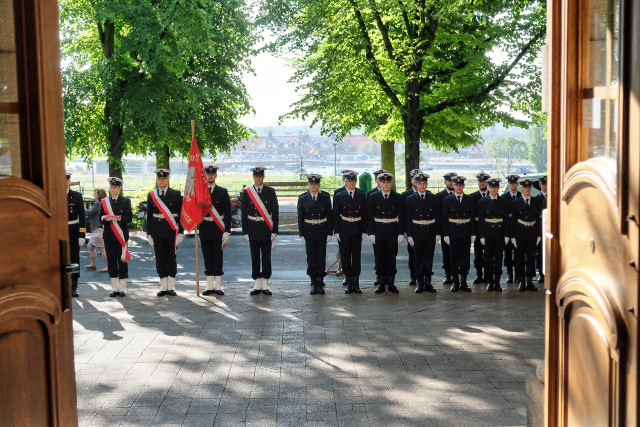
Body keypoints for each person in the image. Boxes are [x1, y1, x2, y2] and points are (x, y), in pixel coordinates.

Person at [241, 167, 279, 295]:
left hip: (266, 228)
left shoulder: (270, 191)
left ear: (263, 177)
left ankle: (265, 284)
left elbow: (276, 213)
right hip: (252, 228)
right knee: (255, 256)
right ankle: (257, 284)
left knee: (266, 257)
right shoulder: (247, 192)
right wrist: (245, 231)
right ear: (253, 177)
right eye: (256, 176)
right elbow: (243, 214)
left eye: (260, 176)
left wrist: (274, 231)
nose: (258, 178)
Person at [146, 169, 184, 296]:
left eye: (163, 178)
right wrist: (148, 234)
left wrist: (181, 233)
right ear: (157, 180)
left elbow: (181, 214)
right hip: (156, 231)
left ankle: (171, 286)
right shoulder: (152, 195)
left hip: (171, 231)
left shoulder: (176, 194)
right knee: (160, 258)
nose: (161, 181)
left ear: (168, 179)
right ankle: (163, 286)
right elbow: (149, 216)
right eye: (159, 179)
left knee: (171, 258)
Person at [367, 172, 404, 294]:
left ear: (391, 183)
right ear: (380, 183)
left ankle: (391, 283)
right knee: (379, 258)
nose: (386, 184)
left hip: (392, 231)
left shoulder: (397, 197)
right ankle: (381, 283)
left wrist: (400, 232)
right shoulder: (373, 197)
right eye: (384, 182)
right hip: (378, 231)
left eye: (388, 182)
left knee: (391, 257)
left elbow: (401, 216)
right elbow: (370, 216)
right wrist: (371, 233)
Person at [297, 174, 333, 294]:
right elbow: (300, 217)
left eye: (316, 184)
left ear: (319, 184)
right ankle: (313, 282)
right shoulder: (302, 198)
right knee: (311, 257)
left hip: (322, 230)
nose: (314, 186)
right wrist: (301, 234)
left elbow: (329, 215)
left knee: (321, 257)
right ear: (308, 184)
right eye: (312, 184)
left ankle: (320, 282)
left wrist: (329, 232)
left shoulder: (325, 197)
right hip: (309, 231)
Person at [405, 172, 440, 293]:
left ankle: (428, 282)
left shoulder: (433, 198)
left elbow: (437, 216)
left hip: (429, 231)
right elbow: (408, 218)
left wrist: (437, 233)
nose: (422, 186)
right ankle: (419, 283)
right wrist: (409, 234)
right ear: (416, 184)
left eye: (424, 183)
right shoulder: (410, 199)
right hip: (416, 232)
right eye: (420, 183)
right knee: (418, 258)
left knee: (428, 258)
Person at [333, 170, 367, 294]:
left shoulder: (361, 195)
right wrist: (336, 230)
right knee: (346, 256)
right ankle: (349, 281)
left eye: (353, 180)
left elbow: (364, 213)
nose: (352, 183)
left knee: (356, 257)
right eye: (349, 180)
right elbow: (336, 214)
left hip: (357, 228)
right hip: (344, 229)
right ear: (345, 181)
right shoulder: (339, 195)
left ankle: (356, 283)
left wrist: (364, 230)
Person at [200, 164, 231, 296]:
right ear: (205, 175)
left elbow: (228, 213)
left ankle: (218, 286)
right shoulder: (200, 192)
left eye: (212, 174)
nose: (210, 176)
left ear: (216, 176)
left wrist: (227, 231)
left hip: (218, 228)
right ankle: (209, 286)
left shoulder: (222, 191)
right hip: (205, 228)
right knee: (207, 257)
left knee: (218, 257)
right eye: (208, 174)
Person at [441, 175, 475, 292]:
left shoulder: (469, 199)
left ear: (464, 186)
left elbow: (472, 218)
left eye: (461, 185)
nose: (459, 187)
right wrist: (445, 234)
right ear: (453, 185)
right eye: (456, 185)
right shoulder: (447, 200)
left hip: (465, 231)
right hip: (453, 232)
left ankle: (464, 282)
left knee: (465, 258)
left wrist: (473, 233)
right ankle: (455, 282)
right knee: (454, 257)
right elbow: (444, 218)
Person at [99, 177, 132, 297]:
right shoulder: (104, 201)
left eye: (115, 187)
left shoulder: (125, 201)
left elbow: (129, 218)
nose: (113, 189)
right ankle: (114, 287)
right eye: (111, 187)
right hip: (109, 235)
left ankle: (122, 288)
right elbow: (100, 218)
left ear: (119, 188)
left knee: (122, 260)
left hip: (121, 235)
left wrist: (119, 218)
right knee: (111, 261)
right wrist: (105, 219)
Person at [477, 178, 510, 292]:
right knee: (488, 260)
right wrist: (481, 235)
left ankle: (497, 283)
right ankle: (490, 283)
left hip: (500, 234)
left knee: (499, 261)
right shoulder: (483, 201)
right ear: (489, 187)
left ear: (498, 188)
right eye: (492, 187)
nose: (494, 189)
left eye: (496, 187)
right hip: (488, 234)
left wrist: (507, 234)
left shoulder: (503, 201)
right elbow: (481, 220)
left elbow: (506, 219)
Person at [510, 178, 541, 291]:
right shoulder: (515, 202)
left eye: (529, 187)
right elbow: (512, 220)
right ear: (521, 188)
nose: (527, 189)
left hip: (532, 232)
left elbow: (538, 219)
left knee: (531, 258)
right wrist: (512, 236)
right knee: (520, 258)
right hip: (520, 233)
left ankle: (529, 281)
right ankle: (521, 281)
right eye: (525, 187)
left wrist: (539, 234)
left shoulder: (536, 201)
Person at [66, 172, 86, 297]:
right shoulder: (55, 195)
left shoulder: (76, 195)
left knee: (74, 257)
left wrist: (82, 234)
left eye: (66, 180)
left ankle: (74, 285)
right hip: (60, 230)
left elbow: (82, 216)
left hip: (73, 229)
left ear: (69, 181)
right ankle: (63, 284)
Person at [435, 172, 456, 285]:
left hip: (457, 229)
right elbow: (438, 216)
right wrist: (438, 232)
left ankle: (455, 275)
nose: (451, 183)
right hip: (445, 229)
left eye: (453, 181)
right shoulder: (439, 196)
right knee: (446, 253)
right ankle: (448, 275)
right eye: (449, 181)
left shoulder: (459, 194)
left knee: (456, 253)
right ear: (445, 182)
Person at [470, 173, 491, 284]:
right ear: (478, 183)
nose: (482, 183)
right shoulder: (472, 197)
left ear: (487, 183)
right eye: (480, 181)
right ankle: (479, 275)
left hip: (489, 229)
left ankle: (488, 275)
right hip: (478, 229)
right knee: (478, 254)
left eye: (484, 181)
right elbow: (472, 216)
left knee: (488, 253)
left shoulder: (492, 195)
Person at [500, 174, 521, 284]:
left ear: (517, 184)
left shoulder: (521, 196)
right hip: (507, 229)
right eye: (511, 183)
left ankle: (518, 274)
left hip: (518, 230)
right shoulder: (504, 198)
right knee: (507, 253)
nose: (513, 185)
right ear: (508, 184)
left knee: (518, 253)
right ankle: (509, 274)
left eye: (514, 183)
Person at [401, 169, 420, 288]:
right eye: (414, 178)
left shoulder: (427, 193)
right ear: (412, 180)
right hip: (411, 229)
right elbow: (403, 214)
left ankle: (422, 275)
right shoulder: (405, 195)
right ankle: (413, 275)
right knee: (412, 254)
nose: (416, 180)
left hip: (424, 228)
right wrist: (404, 231)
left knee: (423, 254)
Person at [85, 188, 109, 272]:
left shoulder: (97, 203)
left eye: (95, 194)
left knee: (102, 249)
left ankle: (108, 266)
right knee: (90, 246)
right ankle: (93, 264)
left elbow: (89, 213)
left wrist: (82, 207)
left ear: (99, 195)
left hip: (97, 229)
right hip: (96, 228)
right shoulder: (101, 203)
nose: (94, 195)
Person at [535, 175, 547, 283]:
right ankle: (541, 274)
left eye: (547, 184)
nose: (545, 186)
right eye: (543, 184)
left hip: (550, 230)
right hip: (539, 229)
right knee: (540, 252)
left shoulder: (553, 197)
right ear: (540, 185)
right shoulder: (536, 199)